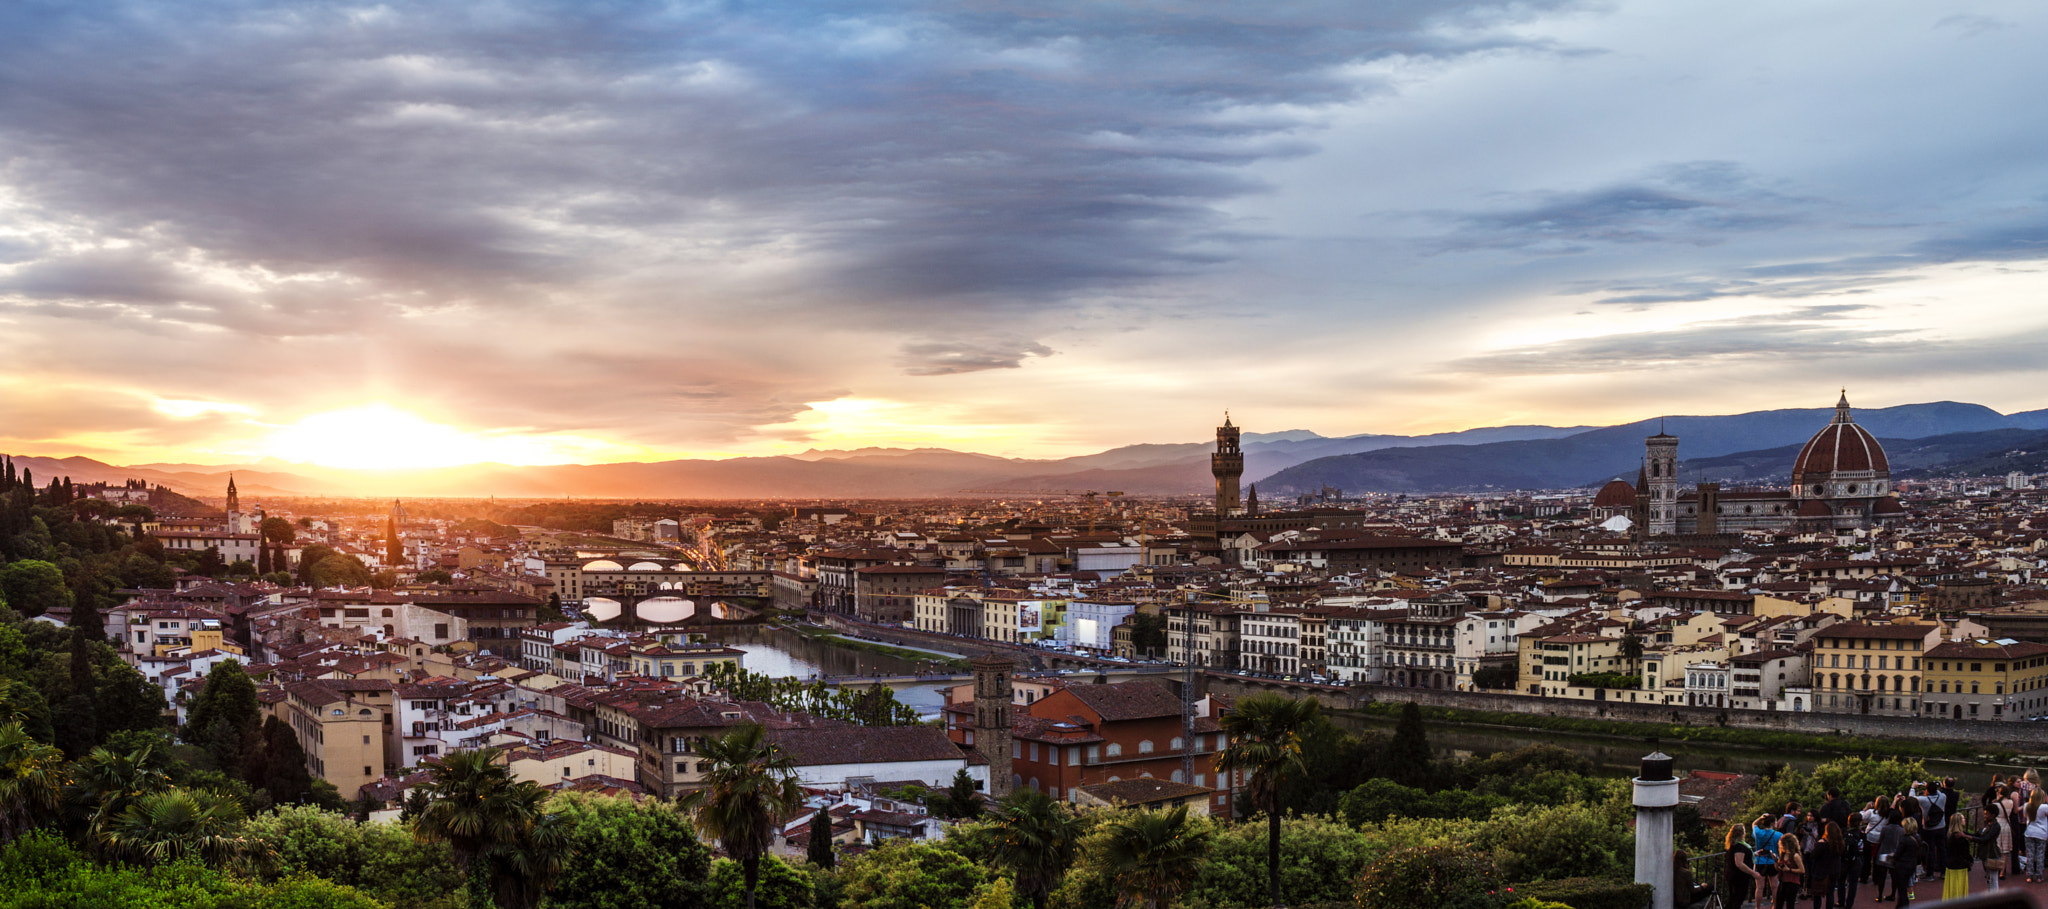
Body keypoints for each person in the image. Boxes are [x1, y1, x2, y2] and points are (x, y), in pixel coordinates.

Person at [1728, 822, 1766, 909]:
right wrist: (1753, 873)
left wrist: (1754, 854)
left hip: (1736, 875)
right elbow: (1739, 863)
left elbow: (1742, 857)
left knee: (1735, 899)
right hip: (1739, 876)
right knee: (1737, 899)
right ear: (1742, 833)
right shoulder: (1740, 846)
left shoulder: (1735, 844)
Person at [1945, 812, 1981, 901]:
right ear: (1959, 821)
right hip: (1959, 865)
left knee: (1952, 888)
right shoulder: (1958, 837)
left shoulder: (1952, 834)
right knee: (1959, 889)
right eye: (1963, 818)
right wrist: (1970, 859)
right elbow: (1964, 851)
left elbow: (1972, 836)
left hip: (1951, 865)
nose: (1965, 820)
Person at [1809, 820, 1843, 909]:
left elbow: (1813, 855)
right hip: (1834, 870)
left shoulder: (1822, 844)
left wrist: (1817, 845)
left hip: (1821, 871)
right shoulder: (1840, 843)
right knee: (1830, 893)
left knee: (1817, 894)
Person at [1889, 818, 1921, 909]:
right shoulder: (1917, 837)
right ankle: (1900, 905)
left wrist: (1892, 857)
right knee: (1904, 887)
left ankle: (1904, 905)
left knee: (1902, 890)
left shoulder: (1904, 840)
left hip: (1902, 866)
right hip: (1911, 865)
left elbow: (1898, 854)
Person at [1775, 819, 1808, 909]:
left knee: (1790, 904)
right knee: (1778, 903)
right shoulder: (1783, 854)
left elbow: (1802, 870)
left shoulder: (1795, 856)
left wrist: (1789, 869)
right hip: (1783, 880)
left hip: (1792, 881)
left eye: (1784, 845)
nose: (1783, 847)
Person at [1872, 809, 1903, 902]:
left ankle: (1880, 895)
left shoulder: (1885, 828)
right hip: (1894, 854)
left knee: (1882, 877)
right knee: (1894, 877)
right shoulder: (1901, 830)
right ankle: (1893, 894)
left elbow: (1880, 840)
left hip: (1884, 853)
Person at [1980, 802, 2011, 892]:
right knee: (1990, 879)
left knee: (1993, 879)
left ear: (1993, 815)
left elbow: (1985, 838)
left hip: (1992, 854)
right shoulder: (1990, 825)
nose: (1985, 816)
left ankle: (1993, 896)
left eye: (1986, 814)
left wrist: (1968, 836)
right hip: (1990, 853)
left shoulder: (1994, 826)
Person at [1756, 813, 1783, 889]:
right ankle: (1775, 901)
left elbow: (1754, 824)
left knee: (1759, 887)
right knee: (1774, 886)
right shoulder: (1779, 835)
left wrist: (1761, 817)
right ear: (1772, 823)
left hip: (1760, 861)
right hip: (1773, 861)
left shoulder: (1758, 832)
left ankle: (1758, 901)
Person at [2026, 795, 2048, 883]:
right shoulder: (2044, 807)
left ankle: (2030, 876)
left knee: (2030, 855)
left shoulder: (2027, 806)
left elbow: (2026, 817)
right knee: (2040, 855)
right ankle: (2039, 876)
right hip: (2041, 833)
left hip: (2030, 832)